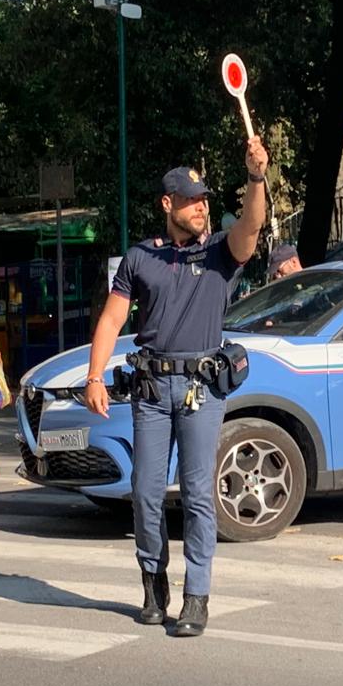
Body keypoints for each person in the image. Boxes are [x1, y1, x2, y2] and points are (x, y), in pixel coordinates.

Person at [83, 145, 270, 639]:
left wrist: (255, 179)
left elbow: (250, 228)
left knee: (197, 495)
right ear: (168, 204)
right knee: (144, 492)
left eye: (204, 200)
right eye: (190, 201)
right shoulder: (140, 257)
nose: (200, 207)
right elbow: (113, 316)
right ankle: (153, 582)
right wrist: (94, 375)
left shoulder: (220, 254)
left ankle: (197, 597)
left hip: (201, 389)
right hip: (150, 388)